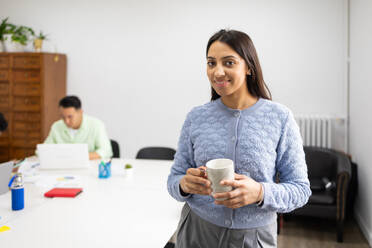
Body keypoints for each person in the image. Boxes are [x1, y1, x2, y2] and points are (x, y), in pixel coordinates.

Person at [167, 29, 311, 248]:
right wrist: (184, 184)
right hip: (197, 231)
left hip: (253, 238)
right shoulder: (196, 117)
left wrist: (260, 192)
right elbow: (174, 178)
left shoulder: (280, 118)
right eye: (211, 63)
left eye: (229, 62)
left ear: (249, 67)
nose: (217, 72)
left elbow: (300, 190)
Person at [44, 95, 113, 160]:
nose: (66, 121)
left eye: (70, 117)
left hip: (89, 167)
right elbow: (44, 150)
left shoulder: (96, 125)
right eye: (63, 117)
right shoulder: (56, 126)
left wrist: (79, 157)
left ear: (80, 112)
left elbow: (106, 151)